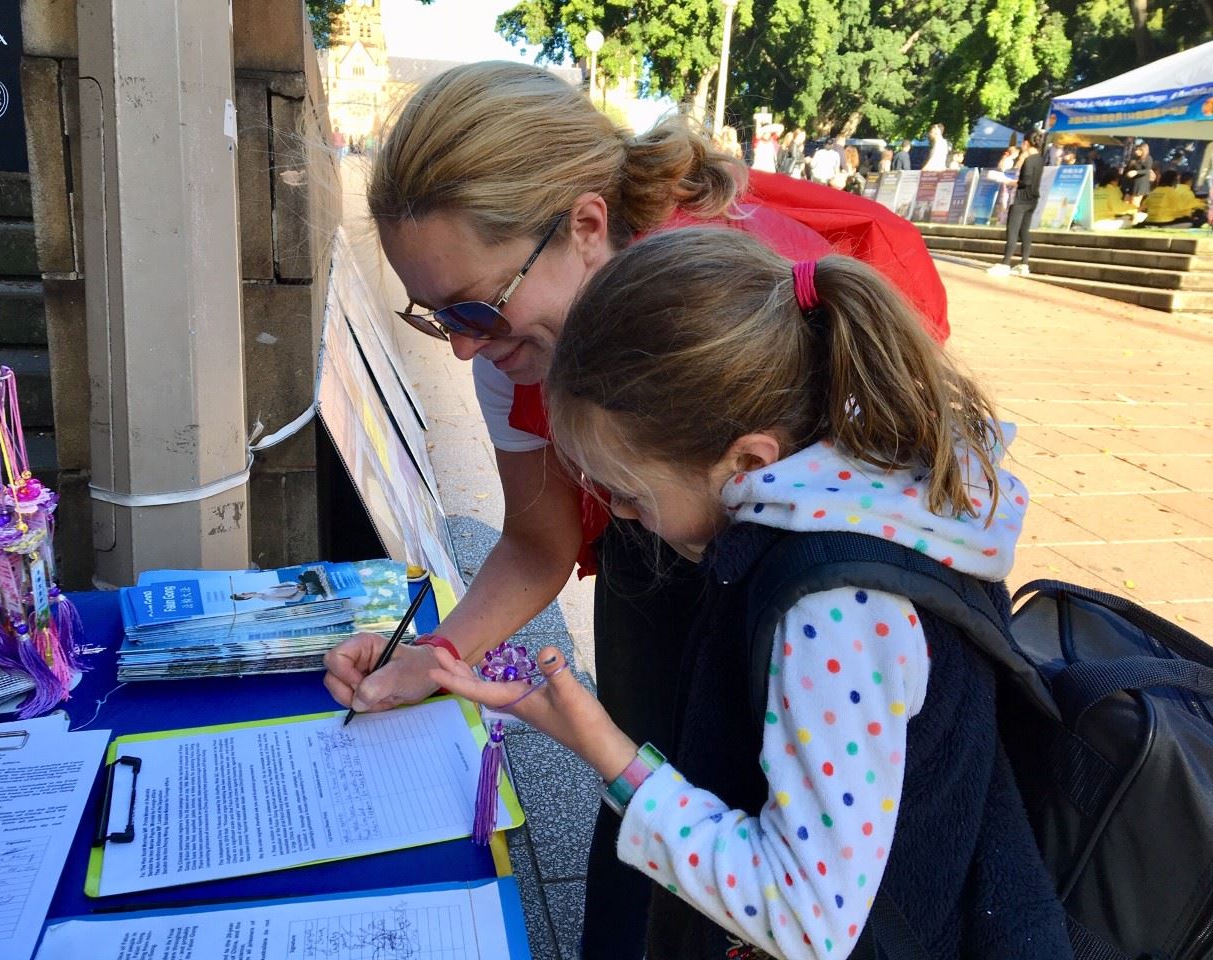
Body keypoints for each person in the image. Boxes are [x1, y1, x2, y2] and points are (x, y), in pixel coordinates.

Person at [429, 228, 1073, 960]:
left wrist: (607, 751)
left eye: (628, 493)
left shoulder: (833, 611)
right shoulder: (855, 500)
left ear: (746, 460)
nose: (622, 515)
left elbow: (804, 918)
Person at [323, 60, 844, 960]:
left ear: (588, 225)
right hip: (671, 573)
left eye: (476, 309)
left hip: (811, 586)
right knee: (643, 792)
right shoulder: (513, 342)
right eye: (437, 317)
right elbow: (541, 537)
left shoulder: (741, 324)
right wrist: (434, 656)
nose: (464, 350)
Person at [988, 130, 1045, 277]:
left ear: (1026, 143)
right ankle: (1024, 263)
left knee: (1012, 231)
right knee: (1024, 231)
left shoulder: (1028, 160)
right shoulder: (1040, 160)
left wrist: (1008, 181)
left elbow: (1025, 181)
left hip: (1020, 199)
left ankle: (1006, 263)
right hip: (1032, 199)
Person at [1124, 142, 1154, 207]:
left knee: (1134, 204)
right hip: (1132, 184)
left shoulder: (1148, 158)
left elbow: (1147, 170)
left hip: (1140, 185)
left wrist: (1136, 172)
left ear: (1143, 151)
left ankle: (1134, 213)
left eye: (1139, 150)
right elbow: (1128, 168)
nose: (1136, 151)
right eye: (1136, 149)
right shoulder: (1134, 158)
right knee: (1126, 202)